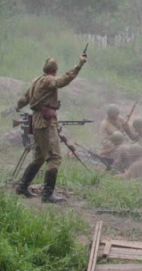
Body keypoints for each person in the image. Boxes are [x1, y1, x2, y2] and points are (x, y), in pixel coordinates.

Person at [14, 54, 87, 203]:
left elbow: (25, 98)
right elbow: (64, 80)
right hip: (46, 122)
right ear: (55, 70)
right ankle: (47, 194)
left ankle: (22, 186)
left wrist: (18, 106)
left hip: (37, 120)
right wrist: (79, 65)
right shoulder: (48, 80)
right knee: (54, 157)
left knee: (40, 157)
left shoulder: (36, 80)